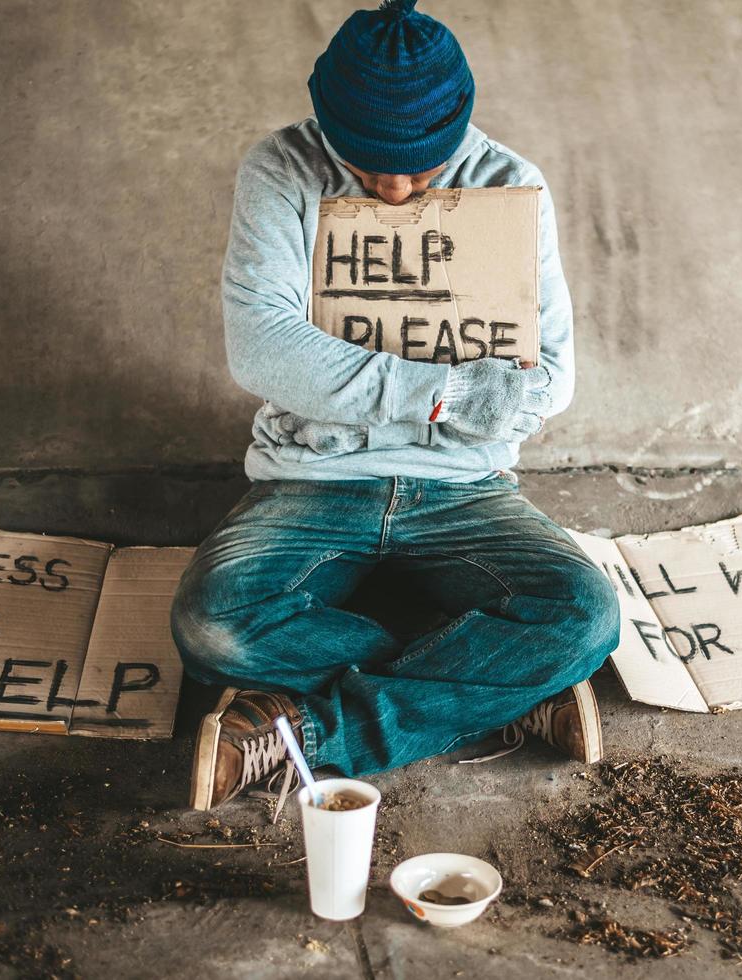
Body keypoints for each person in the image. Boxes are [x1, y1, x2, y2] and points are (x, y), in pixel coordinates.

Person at [171, 0, 620, 811]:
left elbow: (551, 379)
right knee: (213, 624)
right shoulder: (281, 169)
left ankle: (305, 733)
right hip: (309, 480)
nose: (398, 187)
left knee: (583, 617)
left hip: (467, 491)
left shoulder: (509, 184)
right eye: (371, 163)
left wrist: (349, 378)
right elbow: (264, 349)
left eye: (422, 165)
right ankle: (504, 686)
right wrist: (454, 389)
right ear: (327, 120)